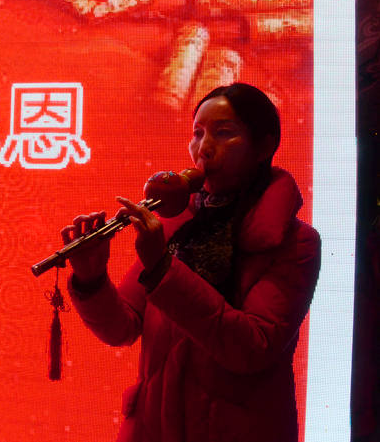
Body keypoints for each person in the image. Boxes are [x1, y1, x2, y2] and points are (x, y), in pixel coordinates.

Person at [62, 83, 320, 442]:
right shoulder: (176, 222)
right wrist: (91, 278)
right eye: (197, 134)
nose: (204, 148)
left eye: (223, 133)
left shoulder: (296, 242)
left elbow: (253, 346)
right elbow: (123, 328)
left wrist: (163, 269)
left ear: (264, 147)